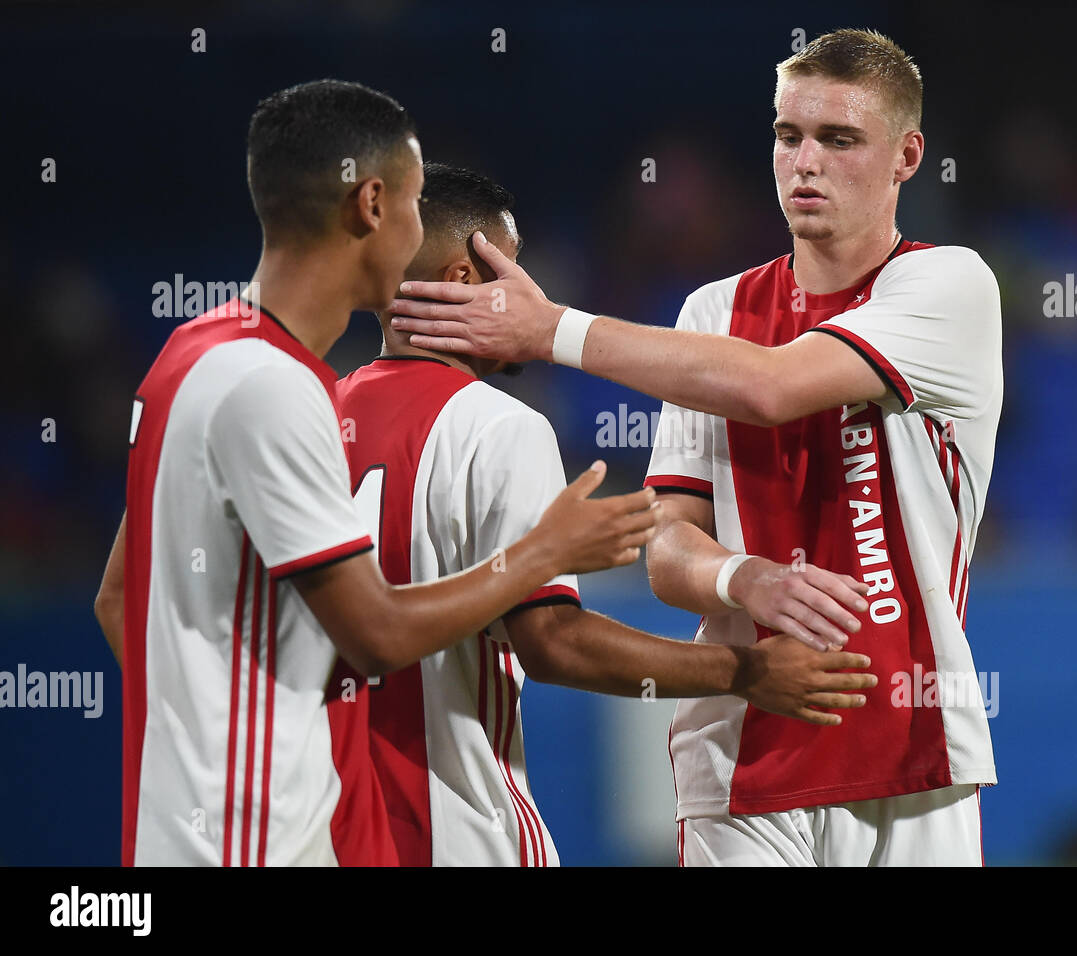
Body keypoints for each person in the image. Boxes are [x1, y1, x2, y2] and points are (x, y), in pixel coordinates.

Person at [388, 28, 1003, 866]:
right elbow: (669, 548)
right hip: (738, 750)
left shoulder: (949, 285)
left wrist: (553, 328)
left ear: (907, 156)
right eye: (789, 136)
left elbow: (774, 386)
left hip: (910, 743)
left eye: (840, 139)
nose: (806, 162)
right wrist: (743, 576)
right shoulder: (712, 312)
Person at [92, 80, 658, 867]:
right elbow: (378, 633)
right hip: (266, 841)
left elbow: (120, 598)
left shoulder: (191, 355)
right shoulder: (278, 388)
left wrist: (208, 748)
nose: (426, 228)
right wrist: (545, 550)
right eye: (421, 201)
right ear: (372, 205)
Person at [335, 162, 876, 866]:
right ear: (463, 280)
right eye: (512, 270)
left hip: (319, 829)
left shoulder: (310, 418)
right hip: (450, 831)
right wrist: (745, 671)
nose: (531, 297)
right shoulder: (500, 428)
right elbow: (552, 642)